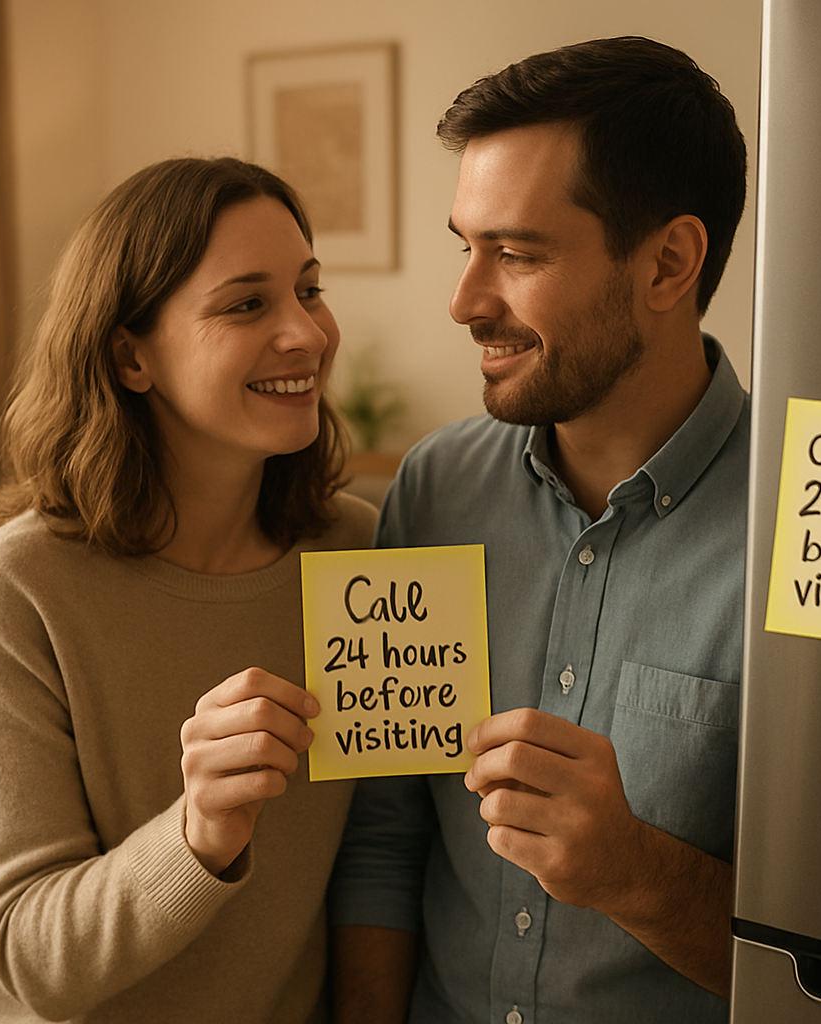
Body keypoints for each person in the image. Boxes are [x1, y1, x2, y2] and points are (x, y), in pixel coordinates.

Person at [330, 37, 749, 1023]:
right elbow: (383, 836)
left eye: (516, 254)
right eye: (465, 246)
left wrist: (635, 871)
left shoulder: (809, 531)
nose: (465, 301)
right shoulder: (431, 487)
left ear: (669, 262)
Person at [0, 156, 378, 1023]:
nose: (306, 334)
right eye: (247, 303)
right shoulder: (11, 589)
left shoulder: (360, 551)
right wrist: (199, 831)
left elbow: (384, 845)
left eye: (309, 290)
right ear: (131, 357)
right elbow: (29, 954)